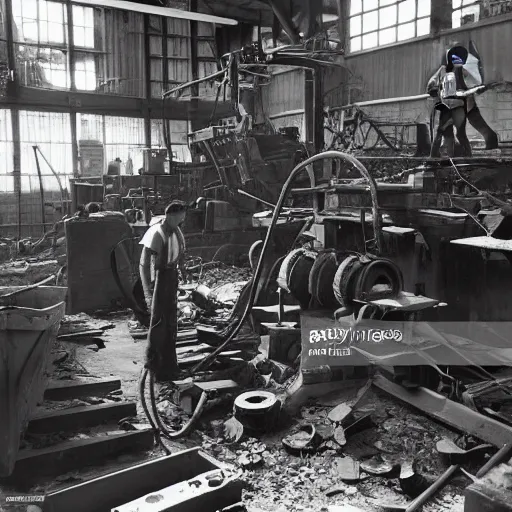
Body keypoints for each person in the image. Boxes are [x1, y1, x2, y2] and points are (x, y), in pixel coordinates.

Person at [139, 200, 187, 381]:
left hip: (171, 277)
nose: (181, 221)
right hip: (159, 279)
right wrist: (148, 292)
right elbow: (145, 264)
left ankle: (170, 365)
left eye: (183, 218)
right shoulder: (156, 233)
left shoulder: (177, 231)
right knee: (158, 323)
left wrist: (183, 270)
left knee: (171, 323)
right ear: (170, 216)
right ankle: (153, 366)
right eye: (179, 218)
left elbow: (181, 253)